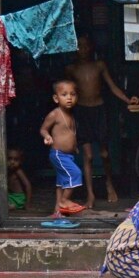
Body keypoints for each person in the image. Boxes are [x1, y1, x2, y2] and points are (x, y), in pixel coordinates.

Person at [65, 35, 139, 208]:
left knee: (104, 154)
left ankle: (109, 182)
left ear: (91, 48)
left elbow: (112, 86)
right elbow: (66, 93)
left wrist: (128, 100)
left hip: (99, 110)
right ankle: (90, 194)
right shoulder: (71, 69)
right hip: (82, 113)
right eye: (79, 46)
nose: (82, 50)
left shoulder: (99, 66)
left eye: (85, 46)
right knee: (88, 156)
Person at [39, 80, 85, 217]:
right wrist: (47, 136)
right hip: (58, 154)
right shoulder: (55, 114)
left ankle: (57, 212)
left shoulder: (71, 115)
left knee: (61, 184)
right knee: (75, 173)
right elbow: (43, 129)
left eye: (73, 94)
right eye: (64, 94)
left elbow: (70, 134)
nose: (69, 98)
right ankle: (64, 201)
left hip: (68, 155)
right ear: (56, 98)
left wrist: (74, 147)